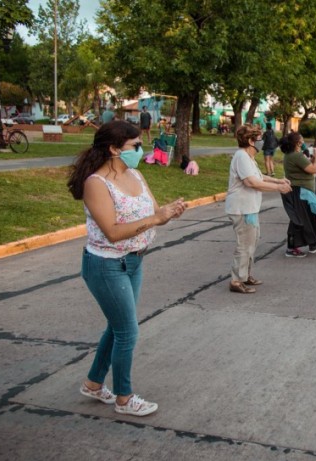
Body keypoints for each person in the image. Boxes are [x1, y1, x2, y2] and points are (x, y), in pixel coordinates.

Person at [67, 121, 188, 417]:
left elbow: (153, 213)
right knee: (127, 333)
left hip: (134, 261)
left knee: (118, 327)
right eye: (134, 146)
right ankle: (124, 398)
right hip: (106, 265)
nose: (141, 150)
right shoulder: (96, 183)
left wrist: (168, 213)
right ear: (113, 148)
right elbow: (113, 231)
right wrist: (157, 219)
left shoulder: (135, 174)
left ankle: (94, 384)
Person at [226, 124, 292, 293]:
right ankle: (236, 281)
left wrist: (277, 181)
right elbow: (251, 182)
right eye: (259, 138)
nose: (262, 142)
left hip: (250, 208)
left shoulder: (249, 158)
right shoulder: (241, 156)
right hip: (241, 209)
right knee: (244, 245)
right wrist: (278, 189)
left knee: (251, 243)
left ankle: (245, 275)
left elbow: (258, 176)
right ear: (250, 140)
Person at [281, 131, 316, 257]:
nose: (303, 142)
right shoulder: (296, 156)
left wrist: (314, 158)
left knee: (312, 216)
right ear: (298, 142)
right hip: (300, 191)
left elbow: (308, 165)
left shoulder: (295, 155)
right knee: (300, 220)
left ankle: (313, 243)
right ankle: (292, 247)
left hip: (303, 191)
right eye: (302, 140)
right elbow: (313, 169)